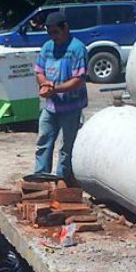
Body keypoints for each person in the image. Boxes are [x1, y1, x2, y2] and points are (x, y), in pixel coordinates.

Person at [33, 11, 88, 182]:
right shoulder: (48, 47)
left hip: (71, 107)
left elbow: (78, 80)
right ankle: (40, 178)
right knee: (43, 141)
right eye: (50, 33)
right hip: (50, 106)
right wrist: (45, 85)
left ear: (66, 28)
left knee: (66, 146)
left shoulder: (77, 49)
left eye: (56, 32)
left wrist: (54, 89)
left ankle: (62, 180)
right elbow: (39, 72)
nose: (53, 37)